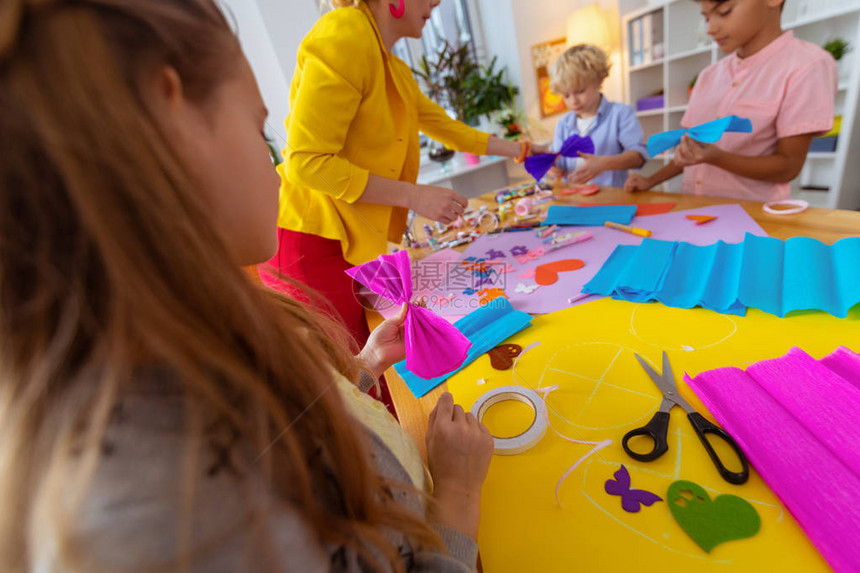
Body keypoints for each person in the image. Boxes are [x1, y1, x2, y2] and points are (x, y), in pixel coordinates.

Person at [0, 1, 493, 571]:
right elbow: (312, 161)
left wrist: (359, 372)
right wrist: (458, 495)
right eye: (262, 132)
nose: (277, 166)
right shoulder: (172, 514)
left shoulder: (194, 339)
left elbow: (287, 425)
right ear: (175, 122)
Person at [261, 0, 544, 359]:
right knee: (349, 365)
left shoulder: (394, 69)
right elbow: (307, 162)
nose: (437, 3)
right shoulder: (346, 31)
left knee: (374, 354)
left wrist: (522, 149)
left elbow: (450, 130)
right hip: (309, 238)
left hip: (344, 236)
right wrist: (413, 196)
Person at [624, 0, 837, 201]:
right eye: (707, 18)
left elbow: (788, 167)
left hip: (753, 219)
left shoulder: (807, 66)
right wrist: (650, 181)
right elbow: (692, 150)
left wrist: (717, 157)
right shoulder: (709, 76)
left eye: (725, 12)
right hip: (694, 211)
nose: (710, 29)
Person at [546, 43, 647, 187]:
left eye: (580, 91)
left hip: (610, 201)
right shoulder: (563, 124)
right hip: (573, 200)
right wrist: (551, 168)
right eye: (566, 95)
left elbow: (639, 157)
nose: (573, 101)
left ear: (599, 80)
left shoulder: (620, 114)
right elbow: (557, 161)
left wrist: (603, 164)